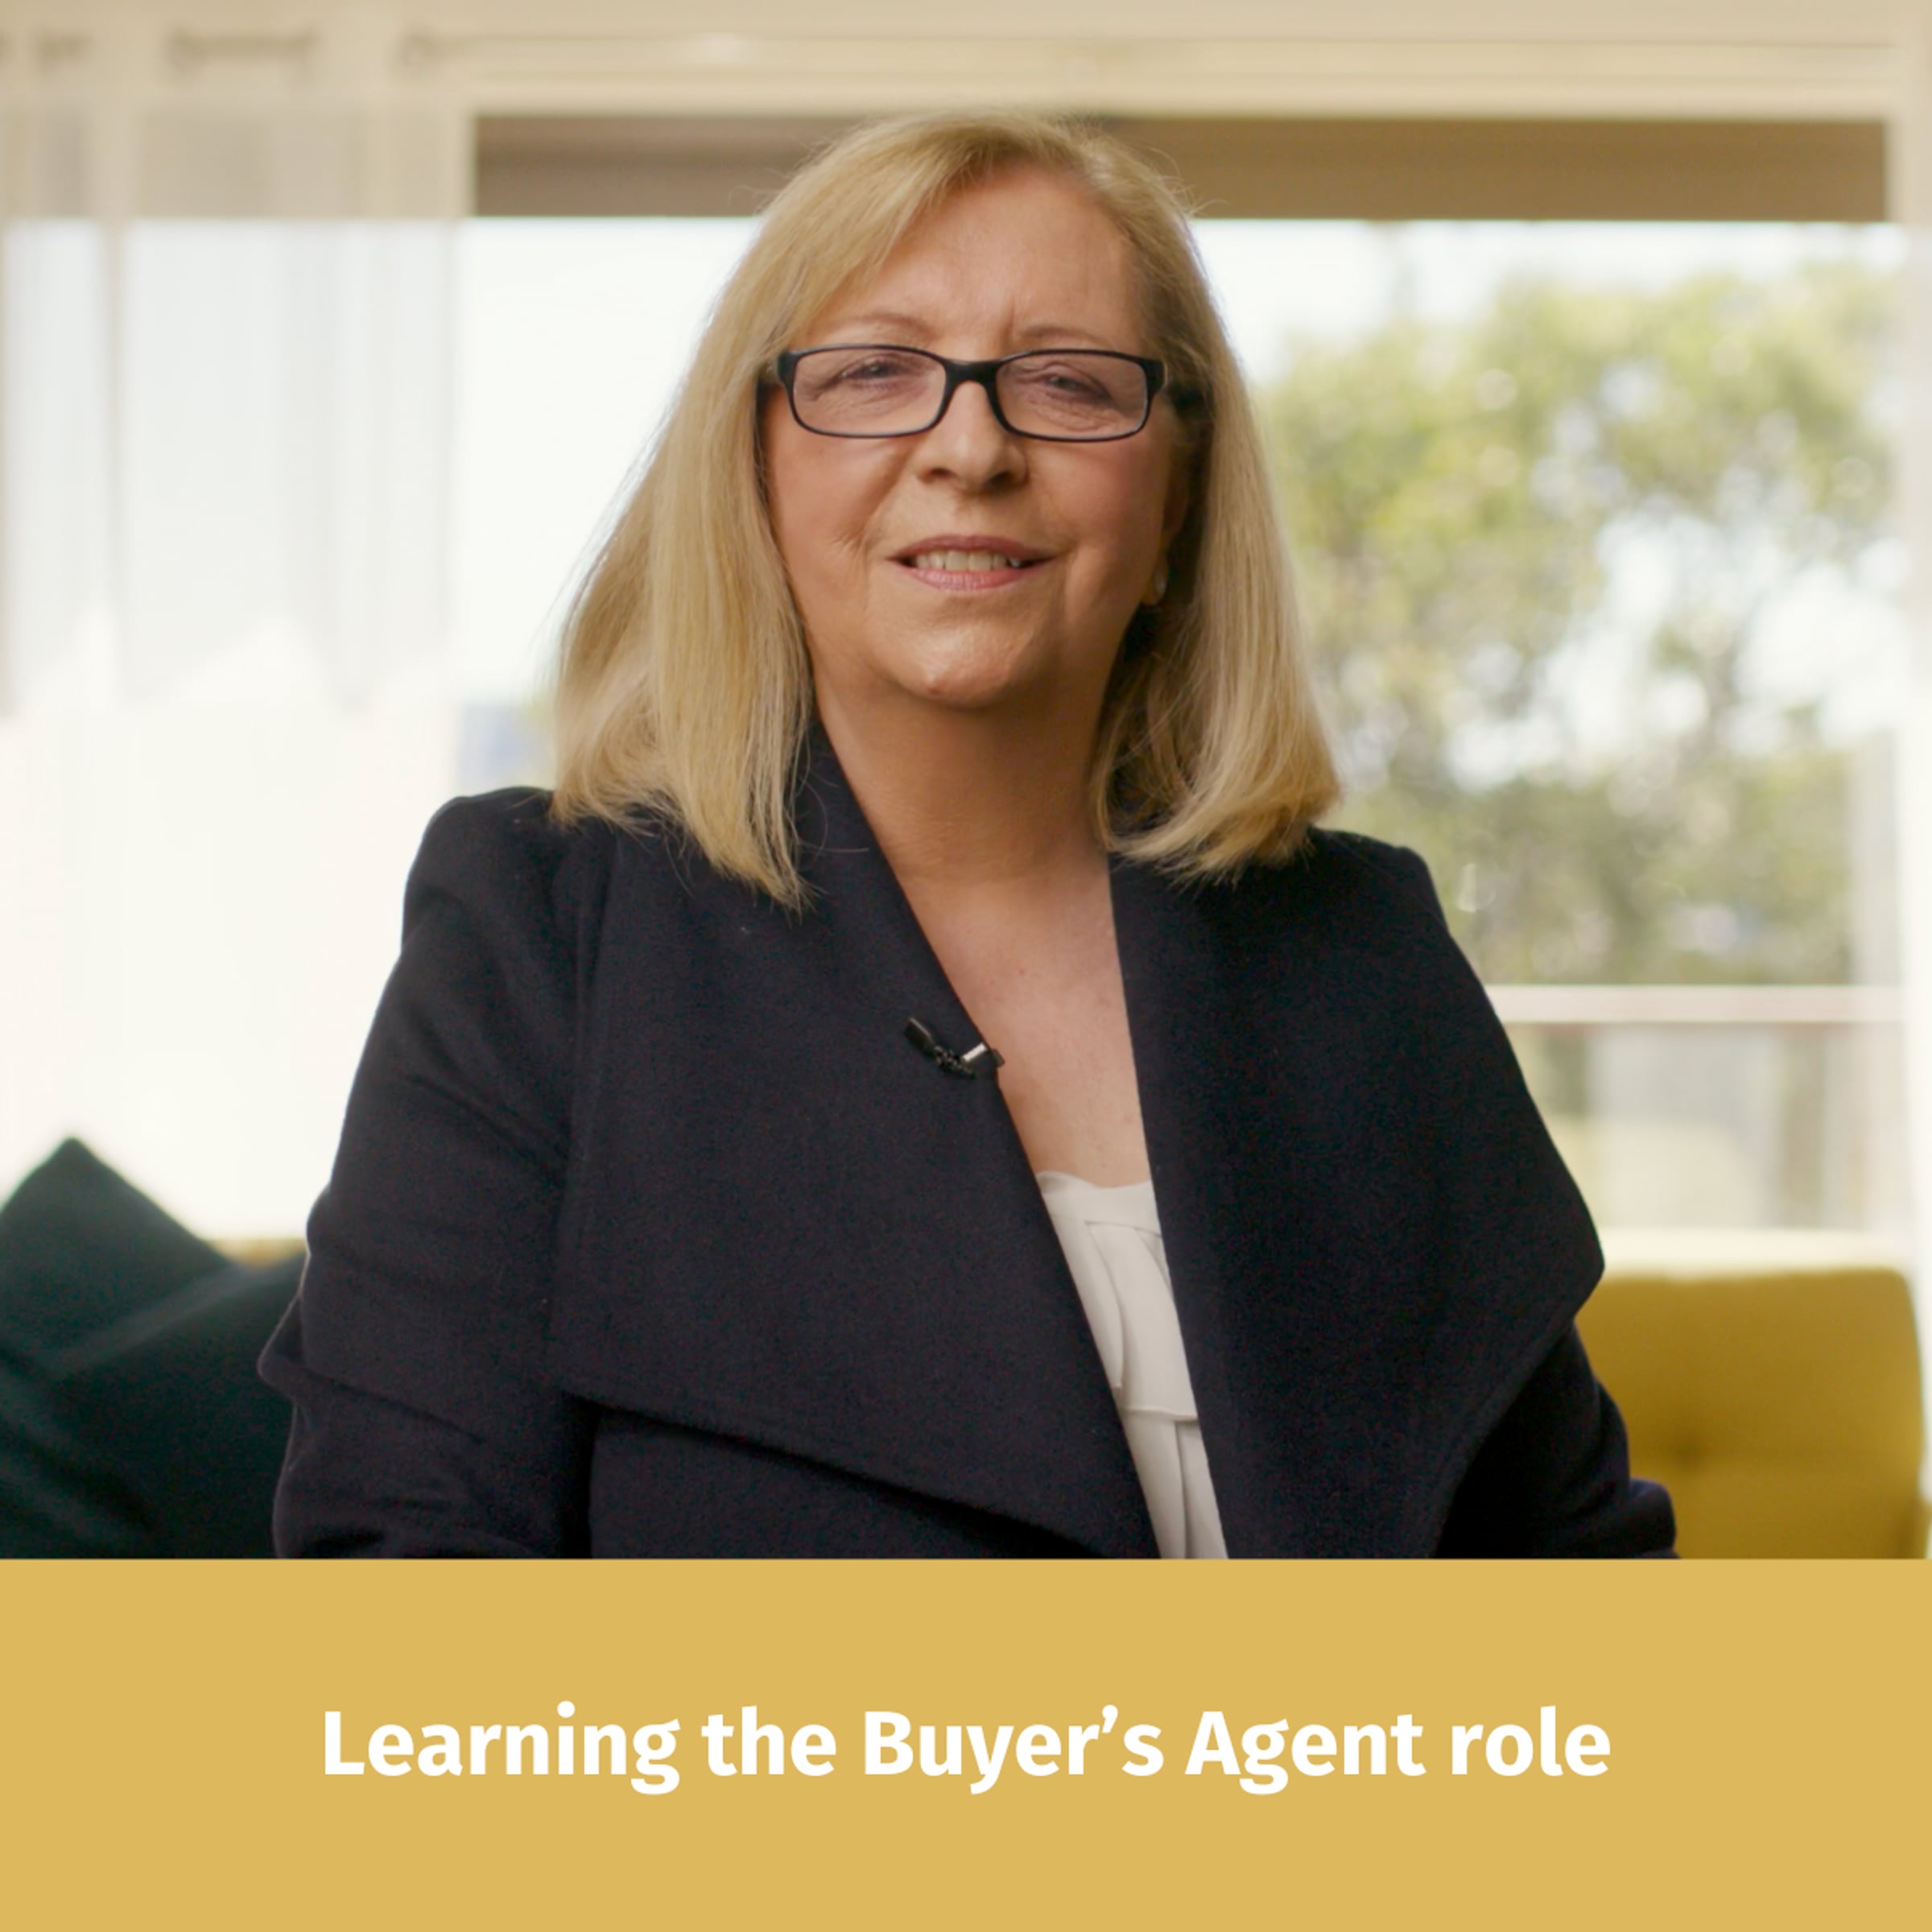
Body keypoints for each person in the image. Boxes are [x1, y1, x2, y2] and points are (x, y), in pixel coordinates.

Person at [261, 110, 1674, 1559]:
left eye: (1067, 382)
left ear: (1178, 495)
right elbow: (405, 1597)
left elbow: (1582, 1586)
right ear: (756, 470)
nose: (972, 447)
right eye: (874, 372)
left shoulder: (1360, 952)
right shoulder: (543, 932)